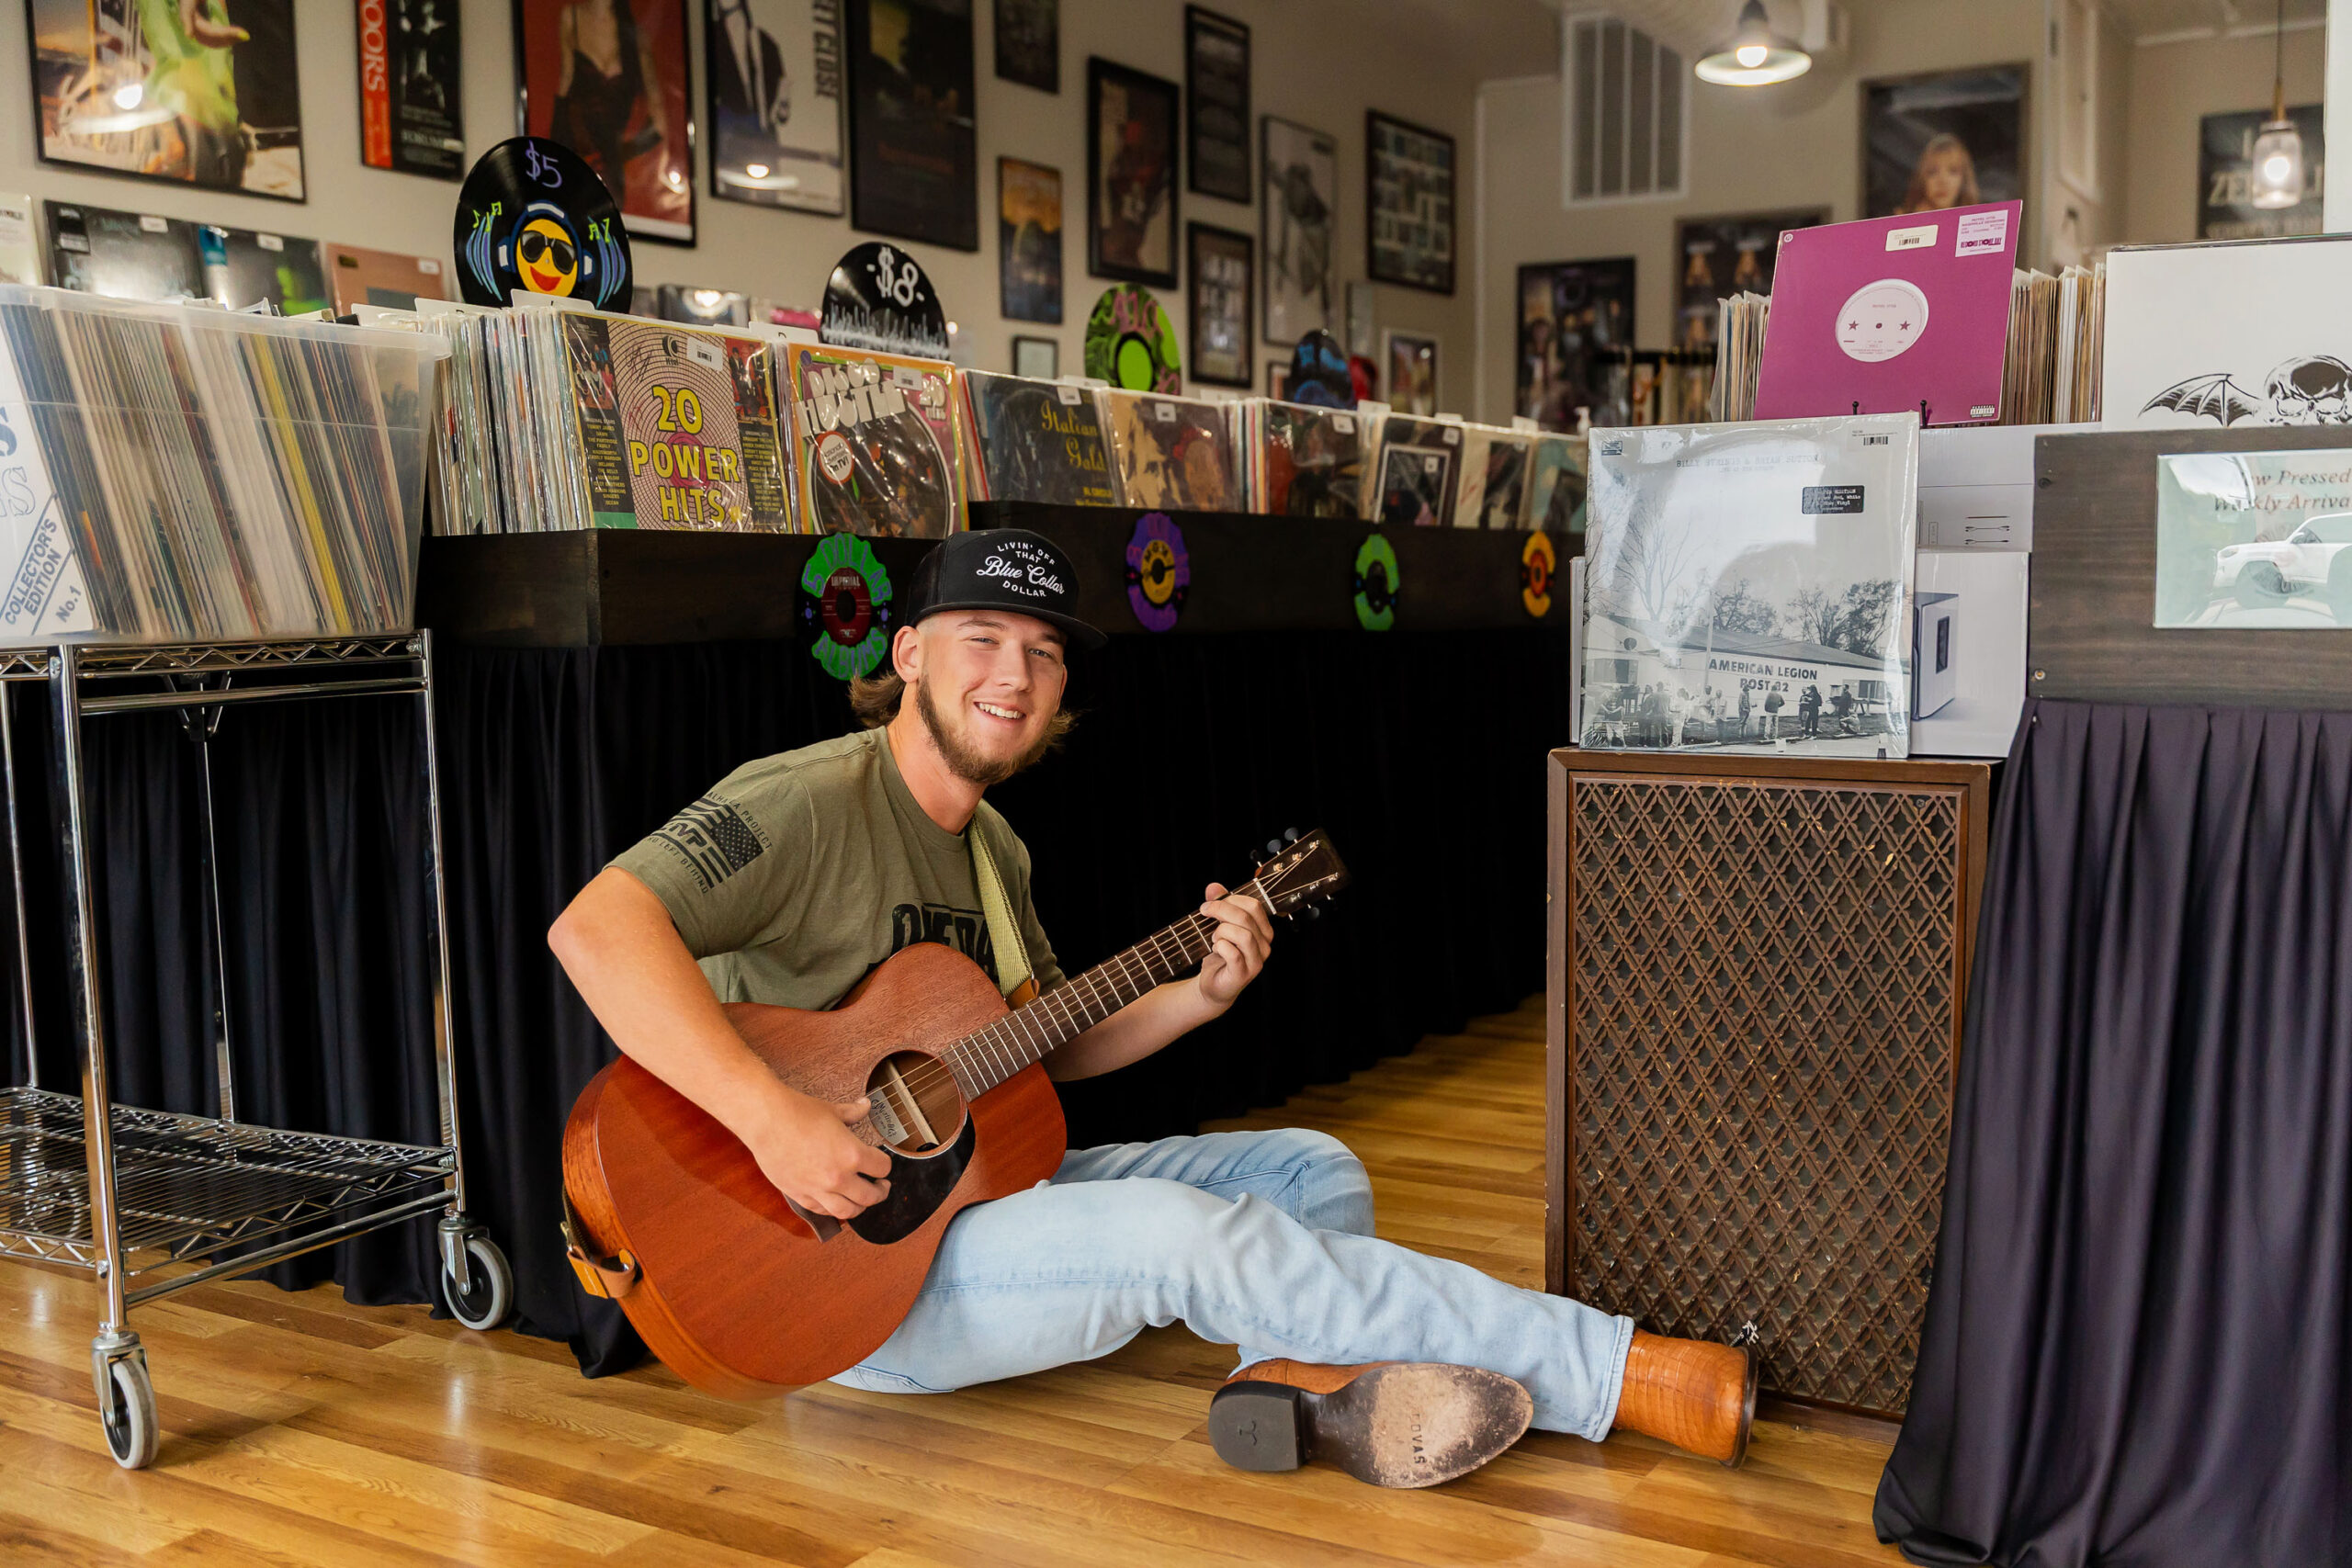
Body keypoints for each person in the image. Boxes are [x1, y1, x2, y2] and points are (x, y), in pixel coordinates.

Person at [548, 531, 1756, 1490]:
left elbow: (1033, 1057)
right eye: (982, 638)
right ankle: (1615, 1369)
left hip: (974, 1206)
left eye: (1045, 650)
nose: (1013, 675)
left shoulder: (997, 851)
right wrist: (771, 1116)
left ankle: (1294, 1388)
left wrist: (1198, 991)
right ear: (907, 653)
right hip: (844, 1287)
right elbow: (594, 928)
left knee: (1308, 1169)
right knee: (1188, 1233)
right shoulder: (809, 798)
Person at [551, 0, 673, 209]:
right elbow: (565, 83)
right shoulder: (573, 17)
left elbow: (566, 84)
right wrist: (616, 153)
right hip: (579, 156)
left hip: (581, 158)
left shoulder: (635, 38)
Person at [1898, 132, 1979, 214]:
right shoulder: (1899, 221)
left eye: (1953, 171)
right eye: (1932, 172)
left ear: (1964, 179)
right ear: (1921, 179)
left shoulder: (1980, 220)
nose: (1942, 181)